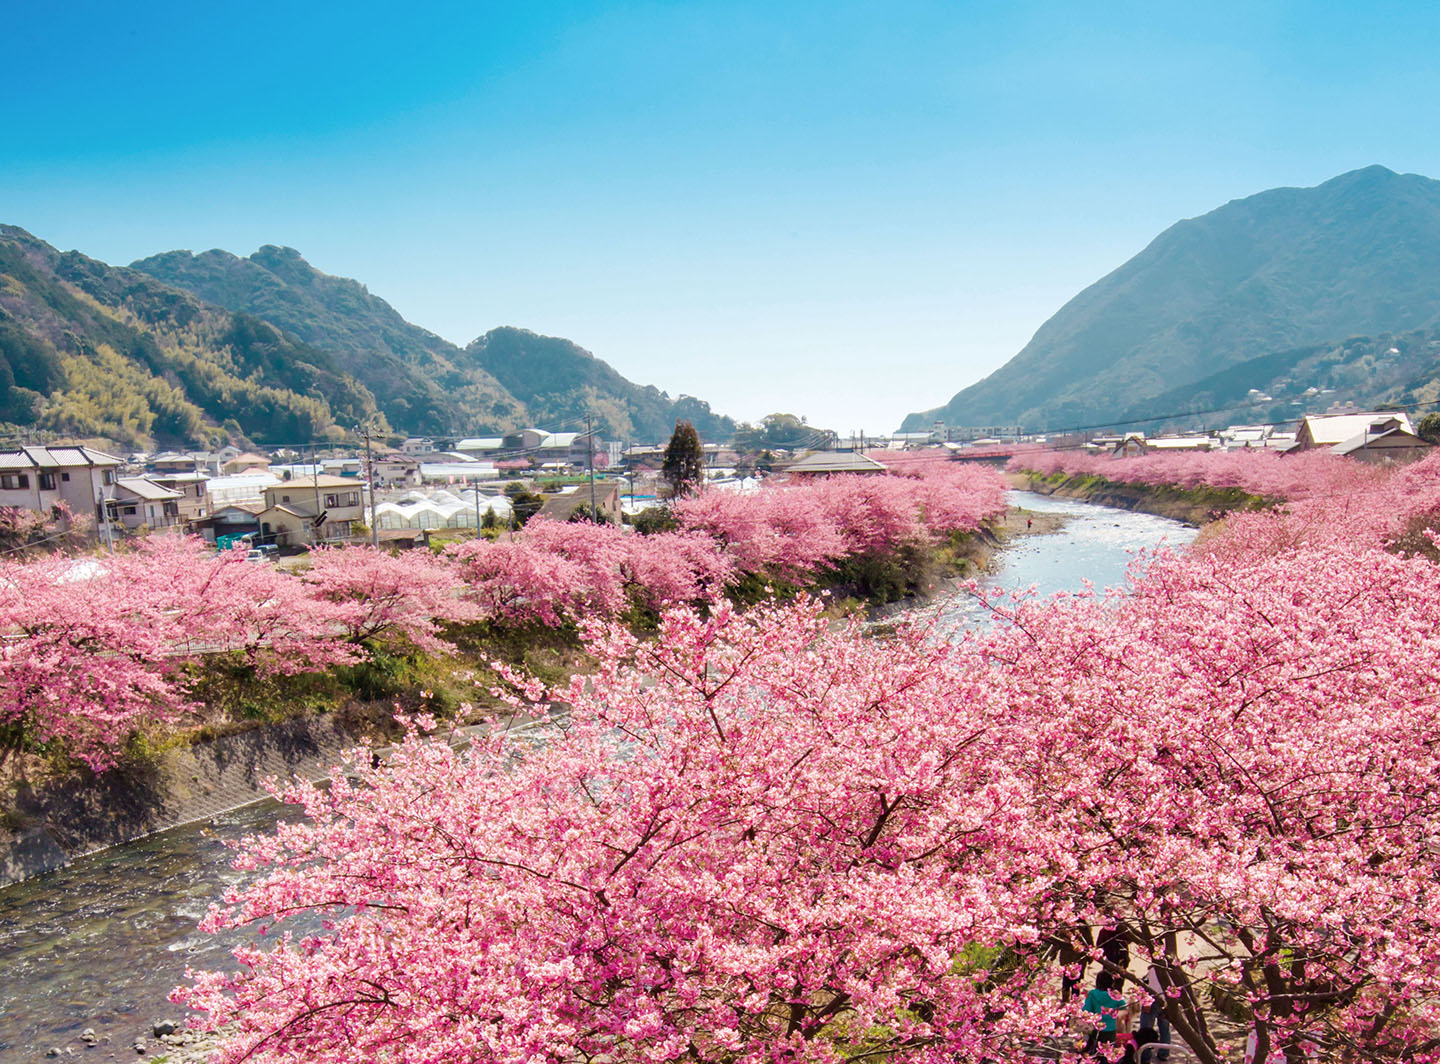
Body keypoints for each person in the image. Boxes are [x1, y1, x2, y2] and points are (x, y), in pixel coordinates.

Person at [1082, 971, 1128, 1057]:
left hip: (1096, 1027)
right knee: (1109, 1053)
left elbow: (1086, 1010)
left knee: (1095, 1052)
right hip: (1111, 1028)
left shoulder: (1093, 993)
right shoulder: (1115, 994)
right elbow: (1124, 1009)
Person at [1139, 964, 1171, 1060]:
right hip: (1167, 1001)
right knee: (1165, 1029)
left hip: (1152, 1001)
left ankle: (1145, 1056)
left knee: (1146, 1030)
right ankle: (1164, 1053)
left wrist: (1146, 1003)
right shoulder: (1172, 971)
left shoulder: (1153, 970)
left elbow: (1148, 986)